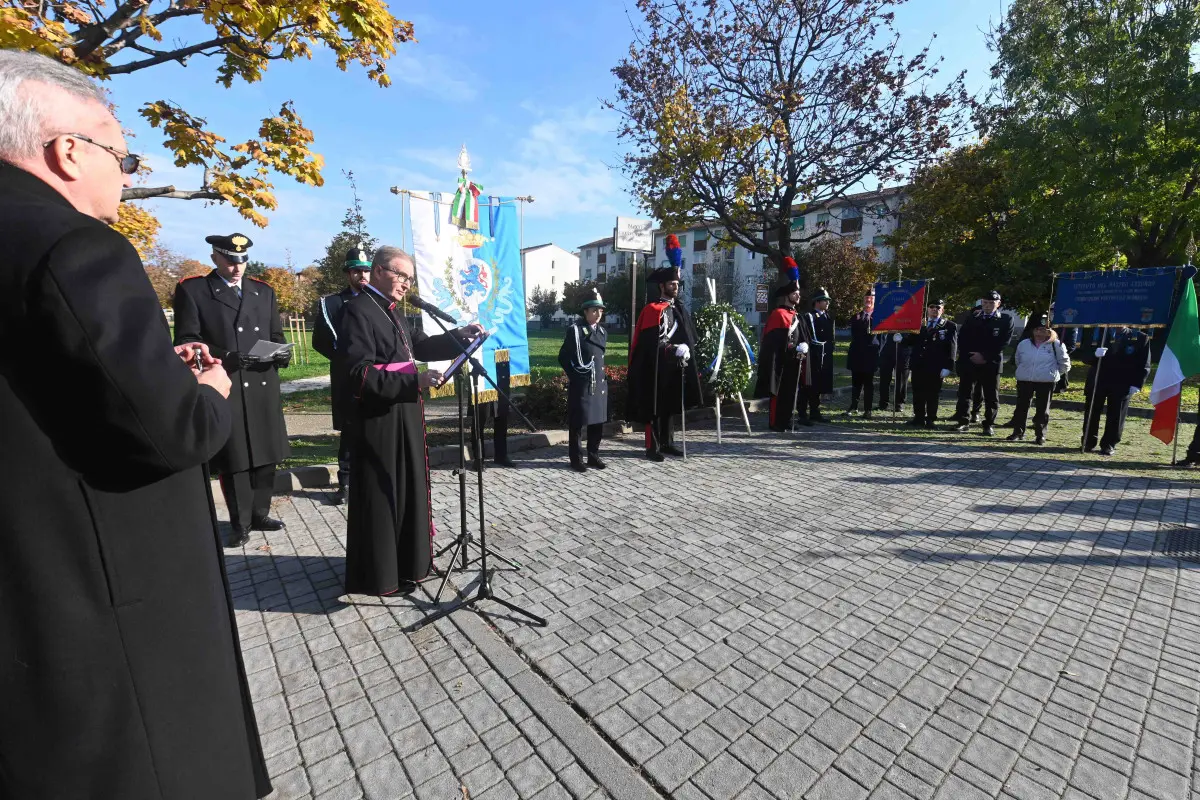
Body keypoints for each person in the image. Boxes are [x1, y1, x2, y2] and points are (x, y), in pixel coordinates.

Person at [0, 48, 270, 798]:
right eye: (123, 155)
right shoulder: (72, 244)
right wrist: (210, 390)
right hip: (109, 616)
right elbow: (171, 434)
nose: (128, 174)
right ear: (66, 151)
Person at [339, 246, 483, 595]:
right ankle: (380, 575)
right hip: (378, 421)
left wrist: (458, 337)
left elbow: (420, 346)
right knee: (384, 494)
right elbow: (357, 375)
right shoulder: (357, 311)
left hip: (404, 414)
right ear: (377, 271)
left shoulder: (394, 312)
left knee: (406, 491)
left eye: (409, 279)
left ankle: (408, 565)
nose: (405, 284)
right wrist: (412, 380)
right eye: (400, 275)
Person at [174, 232, 290, 546]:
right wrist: (226, 357)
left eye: (243, 260)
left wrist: (283, 351)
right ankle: (240, 523)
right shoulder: (194, 289)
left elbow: (276, 334)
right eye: (230, 260)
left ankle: (260, 513)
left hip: (263, 382)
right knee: (236, 456)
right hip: (228, 381)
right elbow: (187, 340)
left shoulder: (262, 291)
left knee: (266, 454)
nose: (238, 267)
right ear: (215, 257)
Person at [627, 236, 704, 460]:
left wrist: (686, 348)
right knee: (655, 407)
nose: (676, 288)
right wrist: (673, 349)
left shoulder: (677, 307)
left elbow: (687, 335)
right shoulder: (652, 310)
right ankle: (653, 447)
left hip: (673, 366)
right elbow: (652, 344)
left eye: (677, 284)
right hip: (655, 366)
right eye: (672, 284)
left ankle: (669, 442)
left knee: (670, 405)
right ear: (662, 286)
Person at [312, 243, 372, 505]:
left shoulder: (379, 301)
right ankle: (346, 483)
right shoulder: (333, 303)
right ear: (348, 274)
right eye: (356, 271)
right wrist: (345, 361)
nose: (362, 276)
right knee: (350, 432)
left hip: (377, 378)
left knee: (376, 429)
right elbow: (320, 341)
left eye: (366, 271)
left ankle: (372, 480)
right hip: (348, 379)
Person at [754, 259, 809, 431]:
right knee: (779, 394)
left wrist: (803, 347)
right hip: (781, 362)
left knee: (791, 392)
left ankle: (786, 420)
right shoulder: (779, 314)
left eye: (799, 293)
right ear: (787, 295)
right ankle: (776, 422)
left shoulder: (796, 315)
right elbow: (773, 341)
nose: (798, 296)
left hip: (794, 361)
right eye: (795, 293)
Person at [558, 288, 609, 471]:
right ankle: (576, 458)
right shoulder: (576, 331)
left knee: (597, 422)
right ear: (585, 312)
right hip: (583, 384)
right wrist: (576, 377)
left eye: (600, 310)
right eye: (594, 310)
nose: (598, 314)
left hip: (598, 384)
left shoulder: (602, 332)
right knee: (578, 423)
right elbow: (563, 357)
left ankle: (593, 455)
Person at [1080, 326, 1151, 456]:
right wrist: (1094, 355)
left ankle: (1109, 444)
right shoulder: (1097, 333)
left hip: (1122, 382)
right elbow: (1084, 356)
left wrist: (1137, 384)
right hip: (1098, 380)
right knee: (1092, 412)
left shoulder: (1140, 337)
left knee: (1116, 415)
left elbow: (1144, 363)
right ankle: (1088, 441)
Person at [954, 290, 1015, 435]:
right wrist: (970, 355)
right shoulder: (973, 317)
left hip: (991, 363)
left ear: (998, 304)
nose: (987, 305)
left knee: (991, 396)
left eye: (991, 303)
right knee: (965, 394)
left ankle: (988, 424)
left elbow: (1003, 342)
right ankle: (963, 421)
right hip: (970, 361)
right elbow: (962, 338)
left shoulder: (1006, 319)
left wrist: (984, 356)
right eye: (985, 302)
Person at [1007, 318, 1070, 445]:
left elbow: (1064, 364)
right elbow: (1018, 359)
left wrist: (1053, 374)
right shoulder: (1024, 343)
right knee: (1021, 408)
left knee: (1042, 410)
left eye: (1044, 329)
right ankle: (1018, 432)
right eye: (1037, 329)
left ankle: (1040, 435)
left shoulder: (1056, 344)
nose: (1040, 332)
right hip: (1025, 380)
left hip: (1045, 381)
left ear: (1050, 331)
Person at [908, 298, 957, 428]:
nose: (935, 309)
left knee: (932, 393)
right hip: (918, 364)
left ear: (942, 310)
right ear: (927, 309)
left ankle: (930, 419)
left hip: (936, 366)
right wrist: (899, 336)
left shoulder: (949, 326)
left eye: (938, 307)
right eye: (932, 307)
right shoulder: (920, 324)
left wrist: (948, 366)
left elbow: (952, 348)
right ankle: (918, 417)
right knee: (917, 392)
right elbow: (911, 341)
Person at [846, 288, 880, 418]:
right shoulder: (856, 316)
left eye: (871, 298)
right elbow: (854, 335)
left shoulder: (878, 317)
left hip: (870, 356)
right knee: (856, 383)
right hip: (857, 355)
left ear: (874, 301)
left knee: (868, 384)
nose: (868, 300)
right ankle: (853, 406)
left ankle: (868, 410)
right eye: (866, 298)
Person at [805, 286, 835, 422]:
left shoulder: (828, 317)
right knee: (814, 385)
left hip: (825, 354)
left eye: (828, 300)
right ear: (817, 302)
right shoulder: (811, 317)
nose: (827, 303)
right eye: (825, 300)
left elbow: (831, 337)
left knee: (821, 384)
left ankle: (816, 410)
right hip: (815, 355)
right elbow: (811, 337)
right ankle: (811, 411)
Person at [878, 331, 913, 414]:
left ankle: (899, 403)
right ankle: (883, 403)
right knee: (884, 378)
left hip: (904, 348)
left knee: (901, 379)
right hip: (886, 348)